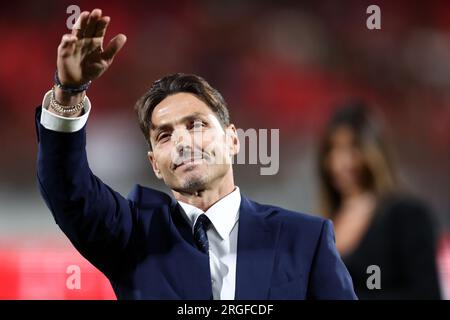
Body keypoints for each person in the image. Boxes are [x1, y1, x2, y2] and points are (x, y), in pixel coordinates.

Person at [35, 9, 356, 300]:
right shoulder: (131, 234)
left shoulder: (304, 238)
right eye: (164, 135)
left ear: (232, 139)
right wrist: (69, 93)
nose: (182, 142)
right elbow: (67, 188)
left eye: (196, 124)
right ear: (155, 165)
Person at [317, 101, 442, 299]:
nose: (342, 162)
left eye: (353, 147)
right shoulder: (324, 222)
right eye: (333, 149)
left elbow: (427, 294)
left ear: (374, 152)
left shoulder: (406, 216)